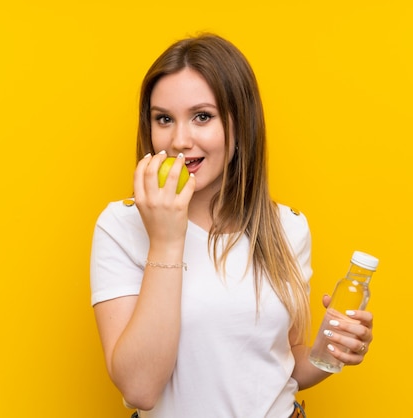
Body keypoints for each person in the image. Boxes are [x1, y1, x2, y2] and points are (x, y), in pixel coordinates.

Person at [90, 33, 374, 417]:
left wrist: (327, 352)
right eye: (164, 119)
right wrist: (166, 240)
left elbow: (282, 362)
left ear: (240, 125)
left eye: (202, 117)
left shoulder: (287, 229)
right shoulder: (121, 227)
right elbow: (140, 389)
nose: (179, 140)